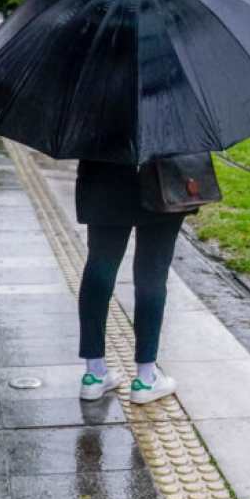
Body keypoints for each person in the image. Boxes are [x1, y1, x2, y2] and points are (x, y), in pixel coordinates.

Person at [75, 160, 187, 404]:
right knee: (152, 273)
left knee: (99, 267)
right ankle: (146, 379)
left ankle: (94, 374)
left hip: (104, 177)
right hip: (162, 176)